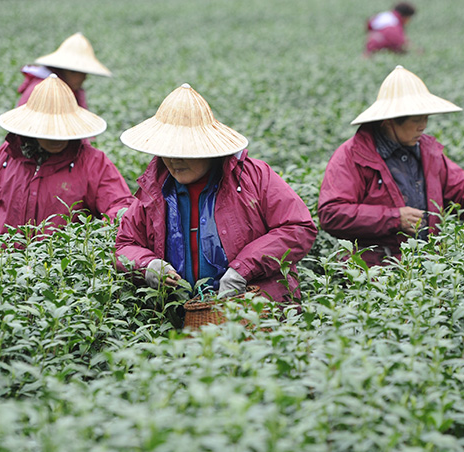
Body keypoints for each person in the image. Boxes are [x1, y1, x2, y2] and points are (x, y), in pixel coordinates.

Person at [114, 84, 317, 301]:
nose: (174, 159)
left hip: (255, 310)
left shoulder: (254, 177)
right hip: (182, 316)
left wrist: (243, 269)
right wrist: (149, 265)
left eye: (184, 150)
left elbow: (298, 228)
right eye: (168, 150)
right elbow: (125, 245)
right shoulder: (155, 188)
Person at [318, 65, 464, 267]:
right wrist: (394, 218)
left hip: (427, 267)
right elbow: (332, 213)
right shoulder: (353, 156)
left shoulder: (427, 150)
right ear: (389, 121)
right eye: (417, 119)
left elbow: (461, 191)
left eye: (425, 118)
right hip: (374, 272)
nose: (423, 125)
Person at [0, 75, 133, 255]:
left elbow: (119, 207)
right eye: (48, 129)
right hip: (4, 268)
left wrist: (90, 246)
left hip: (61, 272)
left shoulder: (93, 162)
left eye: (61, 128)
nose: (56, 137)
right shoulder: (7, 156)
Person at [17, 33, 112, 109]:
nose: (85, 78)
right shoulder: (45, 90)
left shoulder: (71, 90)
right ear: (70, 71)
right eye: (83, 73)